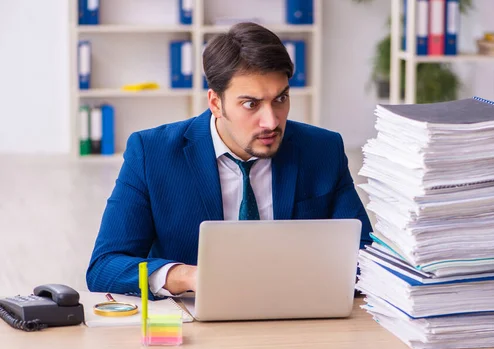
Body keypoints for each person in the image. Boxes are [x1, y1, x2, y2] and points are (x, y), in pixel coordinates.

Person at [86, 22, 373, 300]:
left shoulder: (322, 150)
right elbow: (105, 266)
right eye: (251, 104)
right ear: (216, 104)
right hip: (198, 325)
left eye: (281, 98)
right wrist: (187, 277)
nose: (271, 121)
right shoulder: (152, 153)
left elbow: (366, 256)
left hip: (300, 317)